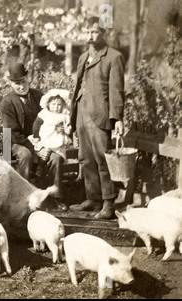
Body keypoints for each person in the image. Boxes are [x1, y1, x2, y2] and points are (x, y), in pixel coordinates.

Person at [69, 17, 126, 219]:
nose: (90, 36)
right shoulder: (83, 57)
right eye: (87, 32)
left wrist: (117, 118)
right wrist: (73, 115)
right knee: (86, 159)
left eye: (94, 32)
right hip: (81, 113)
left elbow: (116, 91)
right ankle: (93, 199)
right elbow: (78, 87)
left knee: (103, 159)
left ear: (103, 33)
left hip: (100, 115)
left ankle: (108, 203)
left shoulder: (113, 57)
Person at [0, 62, 67, 211]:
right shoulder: (7, 103)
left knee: (56, 158)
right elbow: (13, 133)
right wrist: (36, 148)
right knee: (26, 156)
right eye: (16, 83)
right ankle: (24, 198)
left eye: (23, 81)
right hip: (17, 143)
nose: (21, 86)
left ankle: (54, 197)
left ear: (28, 78)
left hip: (43, 141)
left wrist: (59, 126)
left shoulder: (39, 97)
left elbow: (52, 115)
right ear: (11, 83)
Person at [30, 89, 72, 176]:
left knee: (59, 153)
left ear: (63, 105)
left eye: (59, 105)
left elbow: (69, 127)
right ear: (48, 104)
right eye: (53, 104)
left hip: (58, 139)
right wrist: (36, 136)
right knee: (45, 152)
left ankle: (57, 172)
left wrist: (65, 130)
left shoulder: (64, 115)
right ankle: (39, 167)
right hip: (46, 137)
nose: (56, 107)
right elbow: (36, 125)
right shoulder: (45, 113)